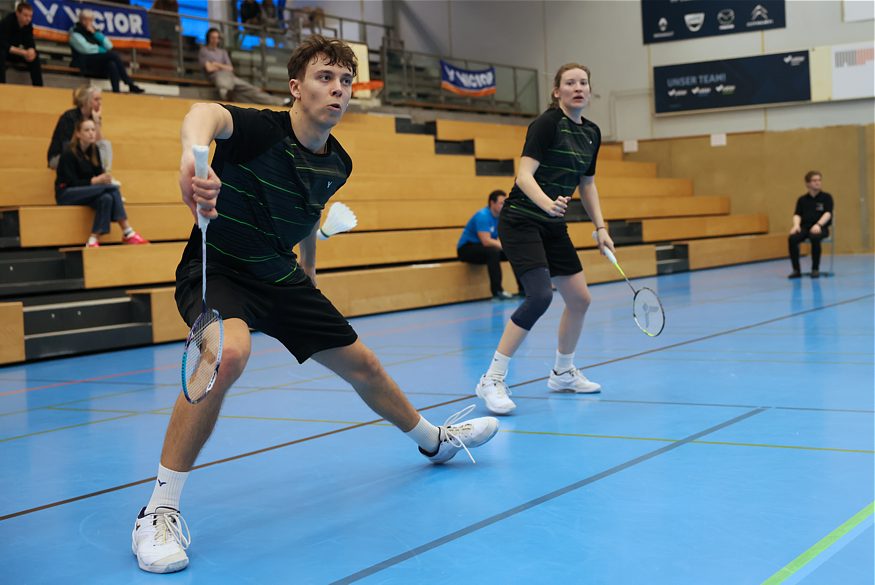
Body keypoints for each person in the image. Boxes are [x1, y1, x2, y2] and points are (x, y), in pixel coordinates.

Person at [130, 35, 499, 574]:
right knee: (228, 354)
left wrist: (309, 269)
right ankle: (158, 510)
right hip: (221, 266)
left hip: (280, 275)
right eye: (326, 78)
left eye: (346, 81)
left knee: (365, 366)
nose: (339, 89)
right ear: (296, 87)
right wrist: (196, 159)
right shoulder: (261, 129)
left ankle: (433, 442)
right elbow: (202, 112)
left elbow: (305, 214)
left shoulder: (337, 163)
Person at [473, 63, 615, 416]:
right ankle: (492, 379)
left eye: (583, 82)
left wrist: (601, 228)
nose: (578, 87)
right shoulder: (547, 123)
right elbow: (523, 176)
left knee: (580, 299)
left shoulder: (592, 133)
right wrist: (548, 203)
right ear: (557, 91)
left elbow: (588, 184)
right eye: (570, 83)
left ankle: (563, 372)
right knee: (538, 296)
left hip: (552, 224)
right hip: (522, 220)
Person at [55, 118, 148, 247]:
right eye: (87, 130)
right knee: (112, 189)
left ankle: (93, 239)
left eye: (93, 129)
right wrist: (94, 181)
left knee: (106, 198)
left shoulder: (94, 151)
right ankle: (128, 231)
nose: (91, 133)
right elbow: (70, 182)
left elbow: (99, 175)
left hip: (86, 192)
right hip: (66, 194)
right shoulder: (68, 154)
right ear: (78, 134)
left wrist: (104, 178)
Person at [199, 27, 289, 106]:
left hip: (230, 77)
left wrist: (216, 64)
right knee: (226, 88)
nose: (215, 40)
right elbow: (209, 69)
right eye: (212, 38)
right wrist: (222, 66)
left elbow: (230, 68)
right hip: (217, 77)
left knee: (252, 89)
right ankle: (227, 94)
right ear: (208, 38)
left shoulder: (223, 52)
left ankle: (280, 102)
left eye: (217, 38)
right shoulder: (204, 51)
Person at [69, 9, 145, 94]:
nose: (88, 22)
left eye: (90, 20)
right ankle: (129, 83)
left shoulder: (94, 32)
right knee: (113, 55)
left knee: (111, 64)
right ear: (81, 19)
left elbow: (109, 45)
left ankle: (116, 91)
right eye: (86, 19)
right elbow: (86, 49)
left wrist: (95, 34)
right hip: (84, 62)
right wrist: (102, 50)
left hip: (97, 64)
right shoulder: (75, 33)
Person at [457, 189, 515, 300]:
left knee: (512, 253)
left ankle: (523, 288)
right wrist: (504, 246)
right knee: (494, 252)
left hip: (484, 249)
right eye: (501, 203)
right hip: (466, 249)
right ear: (492, 203)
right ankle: (497, 291)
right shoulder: (483, 216)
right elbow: (486, 241)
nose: (504, 206)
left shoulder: (500, 217)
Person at [47, 85, 112, 170]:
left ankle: (105, 173)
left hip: (84, 154)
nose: (100, 103)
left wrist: (96, 121)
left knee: (106, 145)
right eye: (96, 99)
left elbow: (99, 143)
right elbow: (67, 147)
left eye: (100, 99)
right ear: (85, 101)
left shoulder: (94, 117)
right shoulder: (69, 117)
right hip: (61, 156)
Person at [788, 171, 833, 279]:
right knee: (792, 239)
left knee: (815, 237)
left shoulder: (826, 197)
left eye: (819, 180)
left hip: (821, 228)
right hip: (805, 228)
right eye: (814, 180)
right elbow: (797, 214)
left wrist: (818, 225)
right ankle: (796, 270)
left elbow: (828, 213)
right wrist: (796, 225)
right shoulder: (802, 200)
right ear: (808, 184)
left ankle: (815, 269)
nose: (818, 182)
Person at [0, 1, 42, 86]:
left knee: (35, 56)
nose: (28, 19)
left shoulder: (28, 25)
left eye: (30, 16)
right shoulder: (7, 22)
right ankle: (2, 86)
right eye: (25, 15)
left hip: (16, 53)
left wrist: (31, 50)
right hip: (5, 51)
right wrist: (23, 52)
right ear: (17, 13)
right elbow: (3, 44)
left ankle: (39, 87)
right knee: (0, 53)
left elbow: (30, 42)